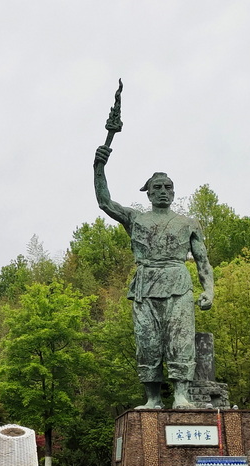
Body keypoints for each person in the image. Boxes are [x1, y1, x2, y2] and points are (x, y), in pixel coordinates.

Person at [94, 145, 214, 409]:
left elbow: (202, 260)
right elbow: (105, 202)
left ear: (173, 192)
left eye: (167, 187)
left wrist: (209, 290)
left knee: (180, 339)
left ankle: (181, 395)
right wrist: (99, 167)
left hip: (178, 283)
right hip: (145, 285)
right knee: (147, 341)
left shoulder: (189, 223)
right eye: (157, 187)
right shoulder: (136, 219)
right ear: (148, 193)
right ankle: (153, 398)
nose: (162, 191)